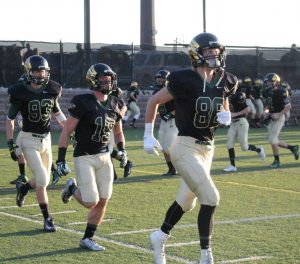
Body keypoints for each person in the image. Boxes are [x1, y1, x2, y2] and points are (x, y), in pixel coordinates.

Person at [143, 32, 237, 264]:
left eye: (216, 51)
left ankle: (159, 236)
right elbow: (154, 100)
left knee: (186, 201)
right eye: (208, 51)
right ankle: (206, 254)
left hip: (208, 149)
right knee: (211, 197)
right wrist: (148, 134)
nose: (214, 55)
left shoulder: (226, 79)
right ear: (197, 54)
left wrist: (226, 112)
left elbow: (223, 97)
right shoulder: (184, 79)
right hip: (185, 147)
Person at [56, 63, 127, 251]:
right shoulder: (83, 101)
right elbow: (66, 131)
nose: (107, 83)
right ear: (93, 81)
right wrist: (61, 159)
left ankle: (88, 238)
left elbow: (118, 133)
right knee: (90, 202)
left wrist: (122, 151)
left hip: (104, 157)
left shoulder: (116, 102)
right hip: (84, 156)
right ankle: (72, 188)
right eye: (103, 80)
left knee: (104, 198)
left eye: (109, 79)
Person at [6, 55, 67, 232]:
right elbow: (10, 120)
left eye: (42, 71)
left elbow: (57, 113)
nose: (40, 74)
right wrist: (11, 142)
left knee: (44, 180)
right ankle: (47, 218)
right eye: (36, 71)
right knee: (42, 179)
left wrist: (70, 129)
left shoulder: (52, 89)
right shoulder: (20, 92)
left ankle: (24, 188)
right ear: (28, 72)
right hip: (28, 139)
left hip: (46, 140)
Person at [263, 73, 299, 168]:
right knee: (273, 140)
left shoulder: (281, 91)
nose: (268, 84)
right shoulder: (266, 92)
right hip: (271, 117)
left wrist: (279, 114)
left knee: (272, 139)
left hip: (279, 116)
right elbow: (267, 104)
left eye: (270, 82)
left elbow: (288, 106)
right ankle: (292, 148)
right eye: (267, 82)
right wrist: (266, 112)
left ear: (276, 82)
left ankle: (277, 161)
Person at [223, 91, 266, 172]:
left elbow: (248, 109)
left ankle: (259, 150)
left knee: (244, 147)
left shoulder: (237, 96)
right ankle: (233, 166)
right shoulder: (223, 97)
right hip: (233, 123)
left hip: (241, 122)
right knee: (229, 144)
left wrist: (235, 114)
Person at [153, 69, 178, 176]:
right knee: (163, 146)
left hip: (173, 121)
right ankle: (171, 169)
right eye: (158, 78)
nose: (159, 80)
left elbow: (181, 105)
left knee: (169, 147)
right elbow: (157, 107)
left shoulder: (173, 91)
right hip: (164, 121)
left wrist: (171, 113)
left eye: (162, 78)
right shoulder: (156, 92)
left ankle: (181, 166)